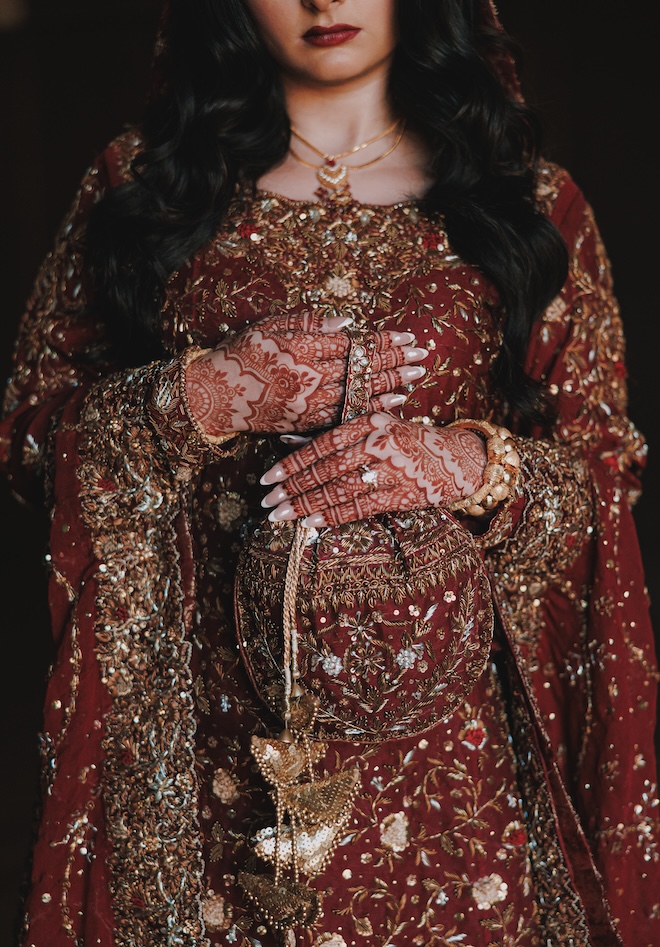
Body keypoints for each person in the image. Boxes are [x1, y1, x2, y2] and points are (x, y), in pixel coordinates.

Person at [1, 1, 658, 945]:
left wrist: (464, 463)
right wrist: (211, 393)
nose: (324, 0)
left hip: (457, 779)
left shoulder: (525, 199)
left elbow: (602, 476)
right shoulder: (145, 184)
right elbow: (29, 442)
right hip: (204, 766)